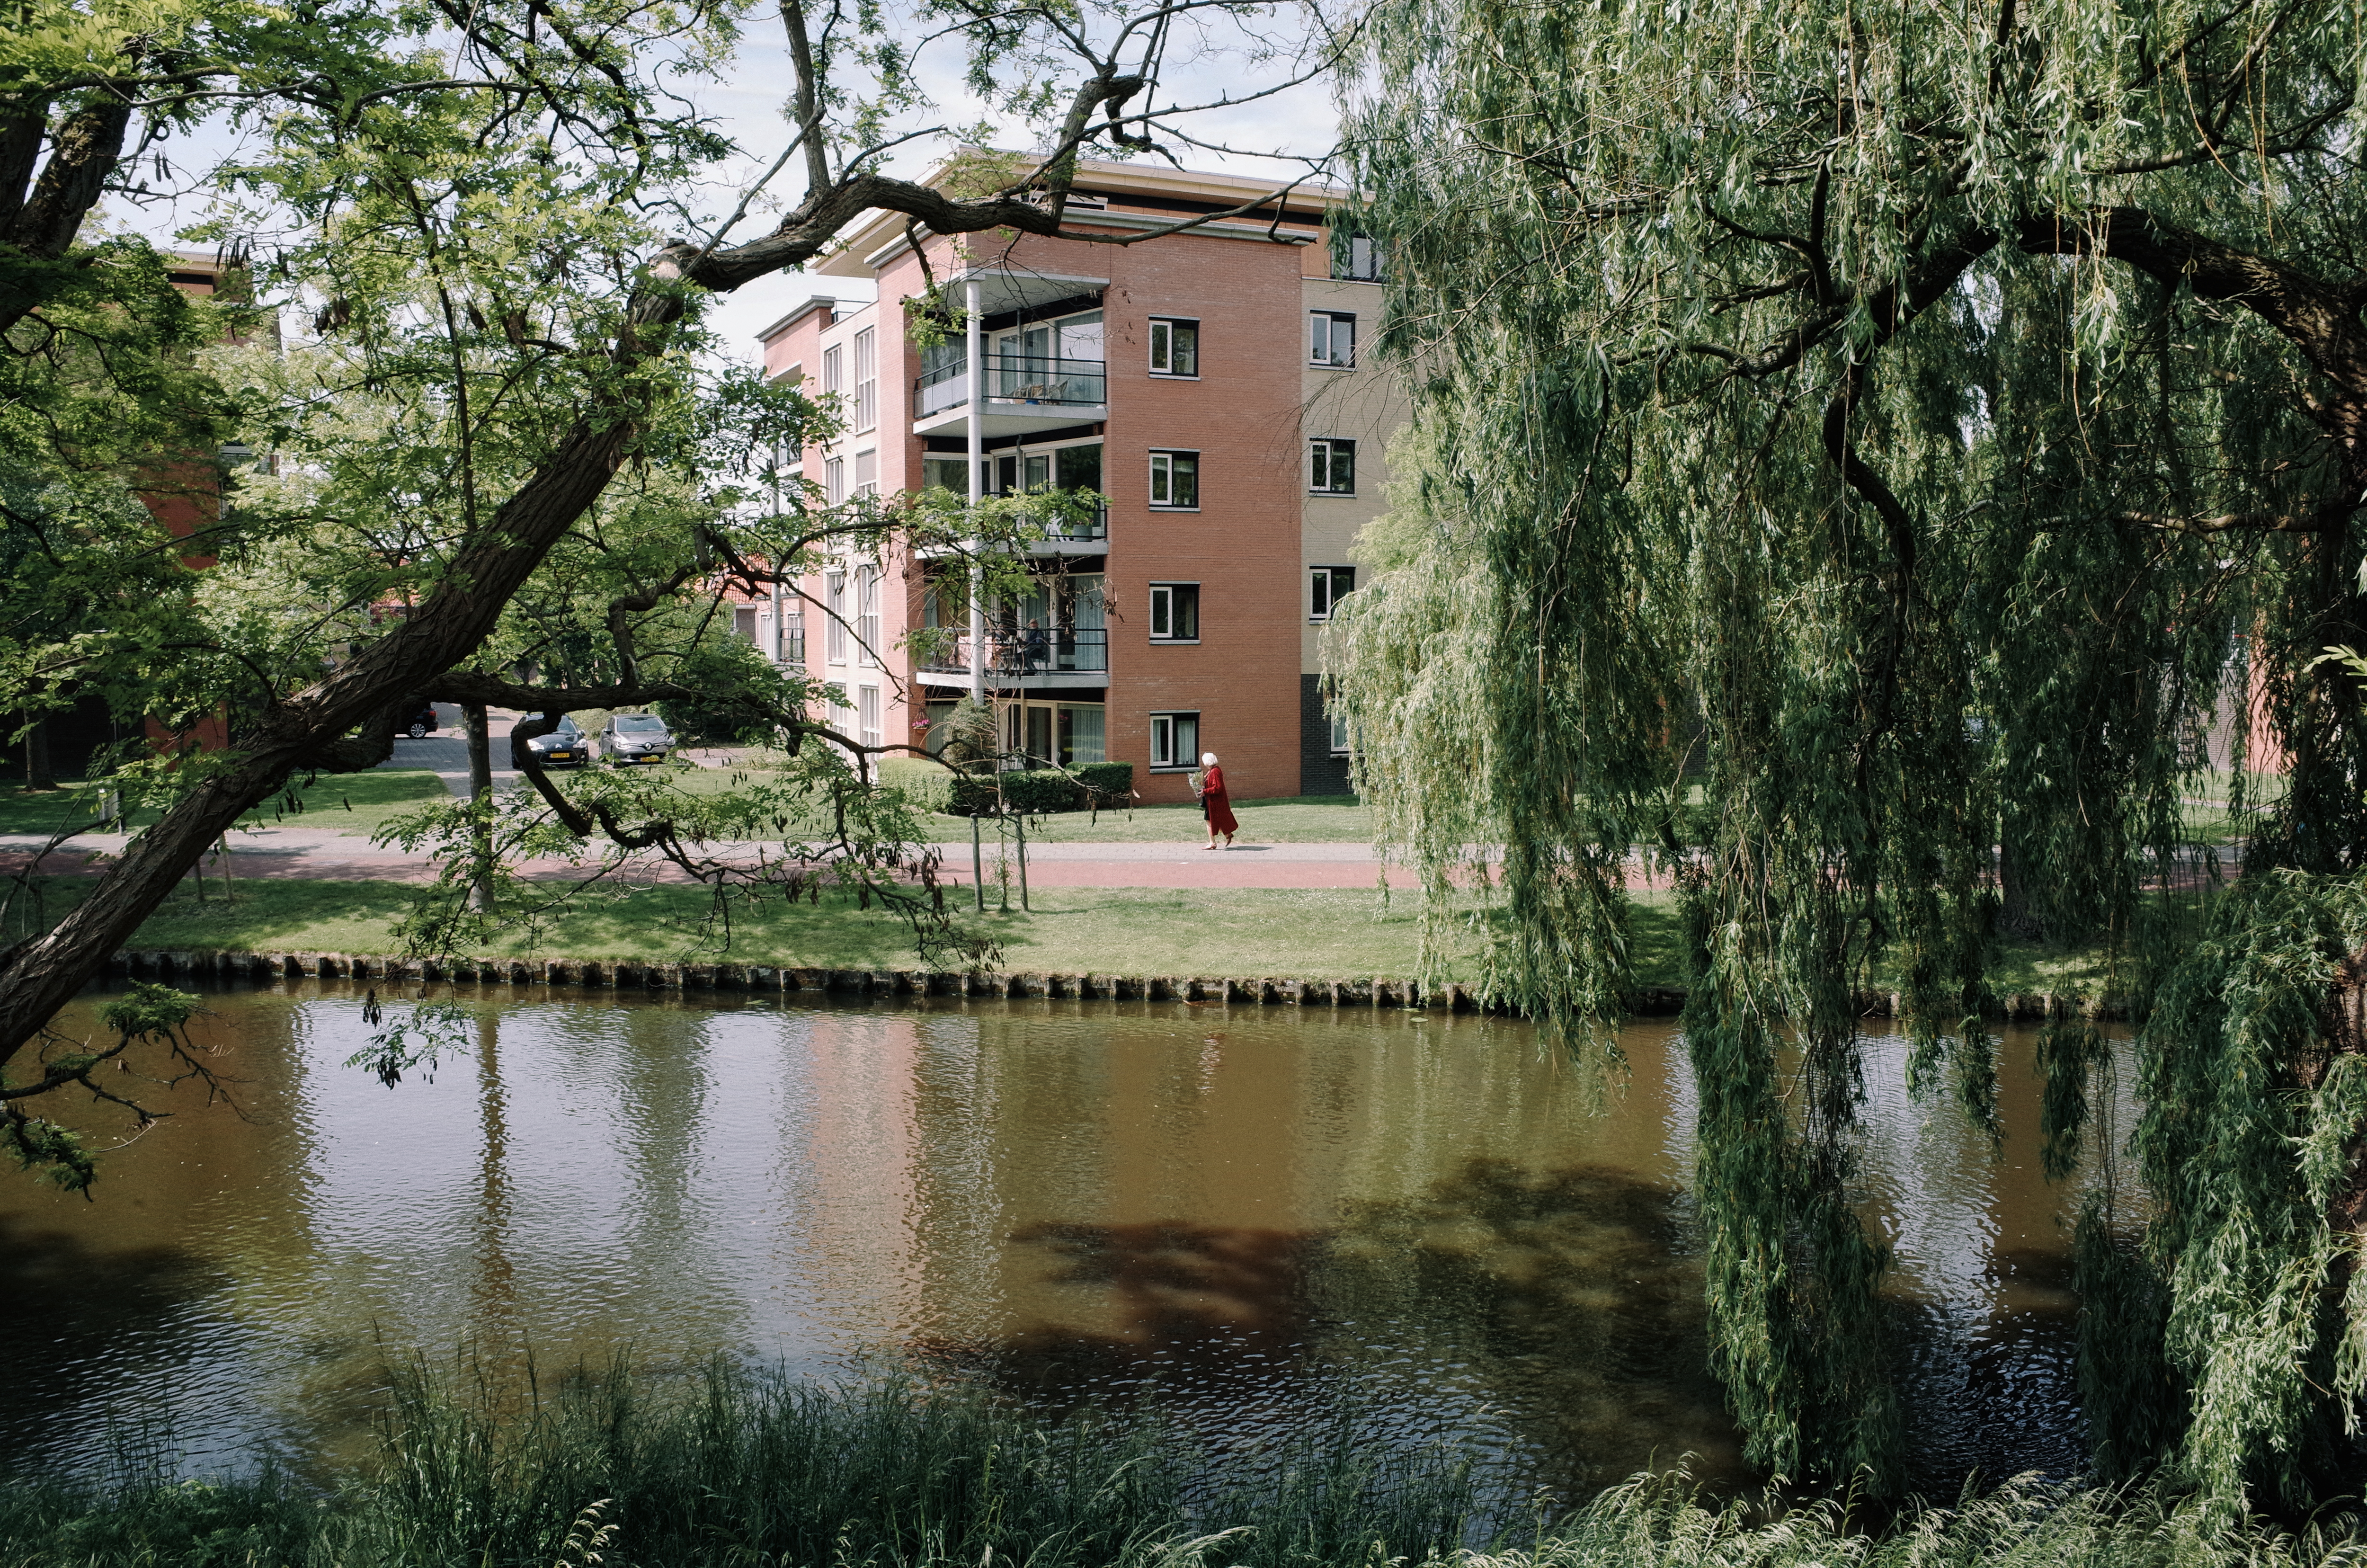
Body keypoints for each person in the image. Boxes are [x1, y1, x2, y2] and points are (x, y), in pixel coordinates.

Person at [1196, 750, 1237, 848]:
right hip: (1213, 801)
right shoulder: (1214, 770)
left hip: (1215, 802)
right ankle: (1227, 835)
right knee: (1217, 820)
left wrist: (1205, 792)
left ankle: (1212, 843)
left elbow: (1217, 788)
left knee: (1210, 820)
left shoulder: (1215, 772)